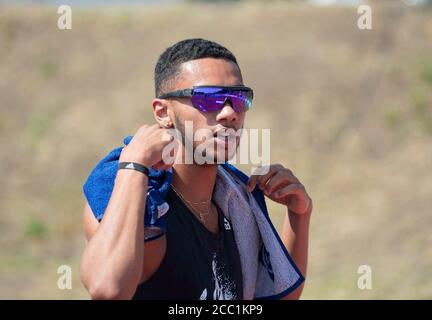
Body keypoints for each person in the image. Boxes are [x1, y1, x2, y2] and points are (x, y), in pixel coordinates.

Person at [80, 38, 313, 300]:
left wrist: (298, 216)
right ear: (162, 112)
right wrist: (134, 167)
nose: (229, 113)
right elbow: (107, 288)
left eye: (238, 98)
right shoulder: (130, 190)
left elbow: (277, 296)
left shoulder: (236, 199)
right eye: (208, 98)